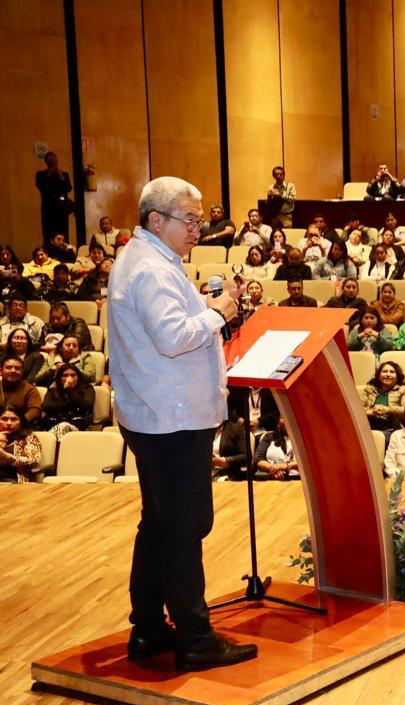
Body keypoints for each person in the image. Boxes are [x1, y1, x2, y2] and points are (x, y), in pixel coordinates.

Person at [107, 176, 256, 670]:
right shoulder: (149, 269)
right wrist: (219, 312)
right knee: (185, 527)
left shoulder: (149, 259)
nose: (199, 229)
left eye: (199, 220)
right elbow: (174, 337)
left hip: (157, 415)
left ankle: (149, 629)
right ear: (156, 220)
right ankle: (195, 638)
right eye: (190, 221)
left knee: (159, 525)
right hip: (170, 421)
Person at [38, 364, 94, 437]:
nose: (69, 378)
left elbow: (87, 405)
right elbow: (46, 407)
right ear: (60, 378)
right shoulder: (53, 390)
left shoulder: (87, 389)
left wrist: (69, 390)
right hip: (55, 425)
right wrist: (71, 404)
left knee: (63, 427)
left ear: (78, 377)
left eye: (73, 375)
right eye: (65, 375)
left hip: (79, 426)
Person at [36, 151, 73, 243]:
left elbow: (68, 188)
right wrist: (50, 172)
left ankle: (64, 251)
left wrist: (60, 174)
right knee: (48, 233)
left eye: (54, 158)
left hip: (62, 210)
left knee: (63, 232)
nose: (52, 160)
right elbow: (42, 186)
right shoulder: (41, 174)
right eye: (49, 158)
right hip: (48, 209)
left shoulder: (64, 174)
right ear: (45, 161)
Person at [361, 361, 405, 432]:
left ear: (397, 377)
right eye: (385, 371)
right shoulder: (369, 388)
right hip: (367, 427)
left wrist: (387, 410)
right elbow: (356, 409)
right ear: (378, 376)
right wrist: (371, 412)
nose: (388, 374)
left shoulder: (403, 390)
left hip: (391, 429)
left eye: (392, 372)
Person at [0, 404, 41, 482]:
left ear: (21, 421)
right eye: (4, 419)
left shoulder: (28, 437)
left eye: (14, 419)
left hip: (15, 482)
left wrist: (7, 457)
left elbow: (33, 461)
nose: (9, 423)